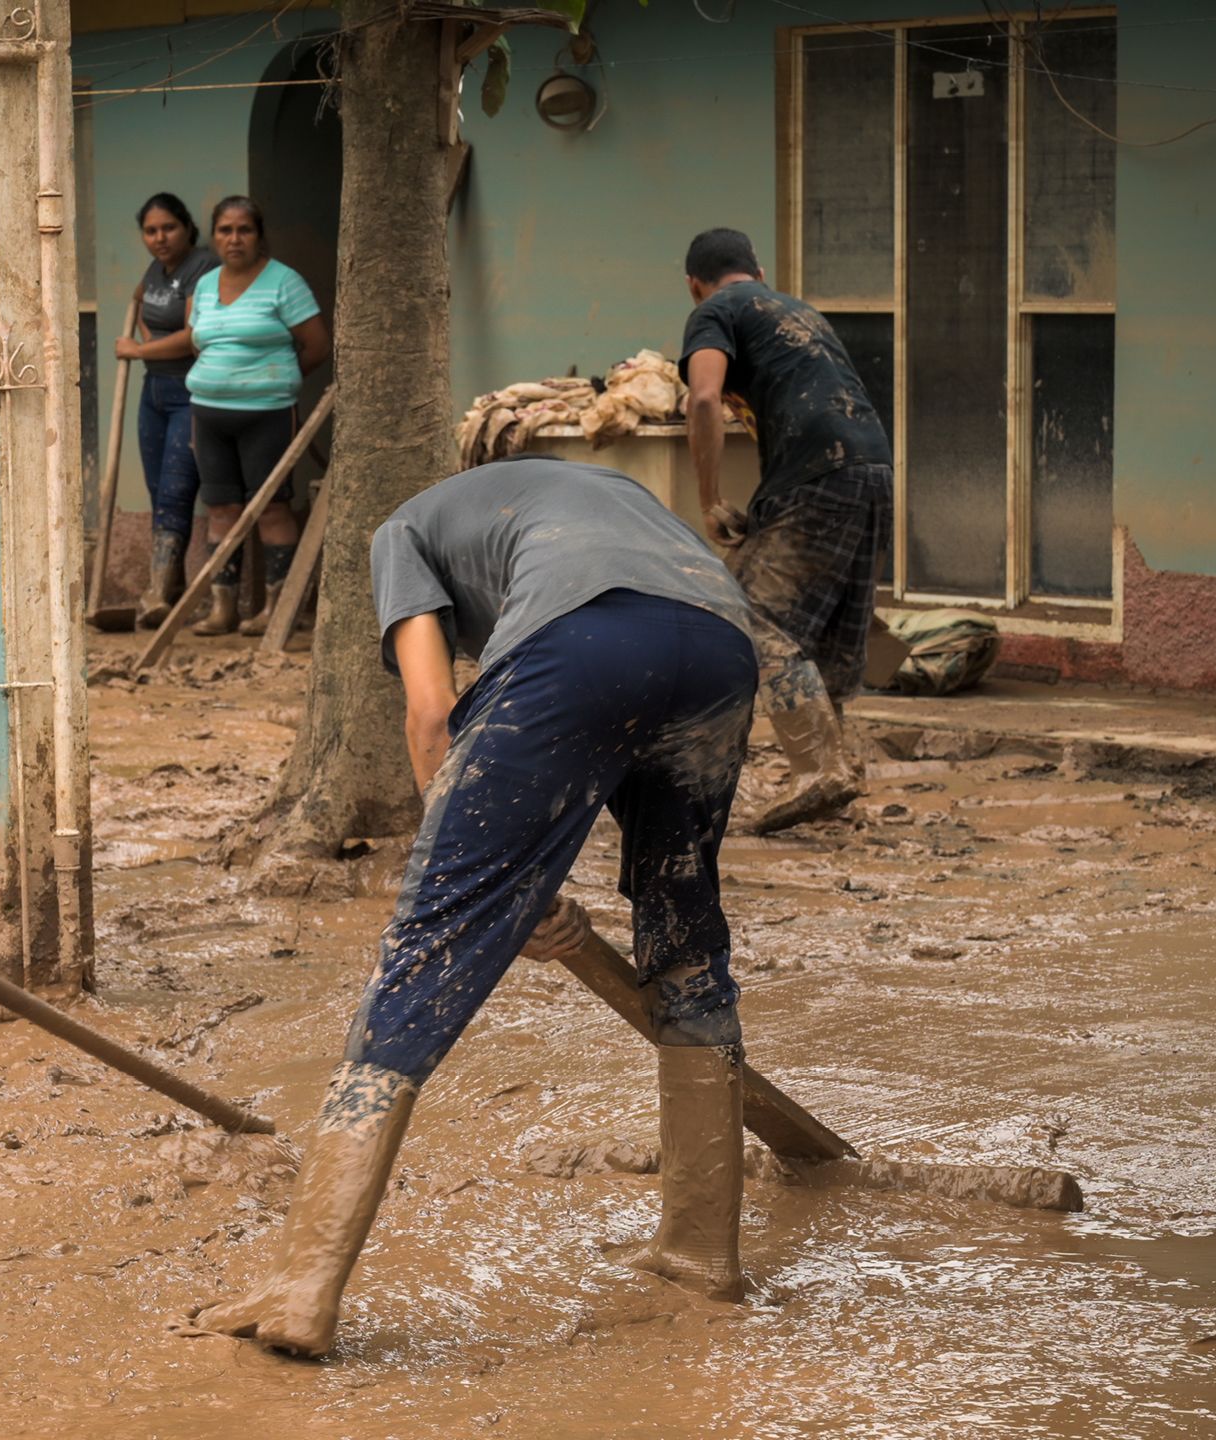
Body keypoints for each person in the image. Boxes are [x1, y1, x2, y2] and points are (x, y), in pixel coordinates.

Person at [190, 456, 760, 1358]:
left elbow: (430, 712)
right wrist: (532, 883)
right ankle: (702, 1251)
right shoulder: (594, 494)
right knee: (684, 923)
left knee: (430, 937)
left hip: (584, 640)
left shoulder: (400, 531)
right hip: (724, 649)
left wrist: (486, 877)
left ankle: (301, 1291)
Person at [678, 226, 894, 832]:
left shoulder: (714, 311)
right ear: (760, 273)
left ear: (694, 285)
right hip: (874, 470)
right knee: (825, 639)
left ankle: (818, 769)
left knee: (745, 620)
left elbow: (702, 398)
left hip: (820, 475)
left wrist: (709, 497)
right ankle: (832, 788)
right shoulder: (798, 312)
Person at [119, 194, 330, 638]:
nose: (234, 239)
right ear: (213, 237)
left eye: (243, 230)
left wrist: (275, 379)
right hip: (209, 413)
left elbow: (315, 346)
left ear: (258, 235)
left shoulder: (283, 283)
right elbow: (198, 341)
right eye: (225, 231)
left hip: (267, 414)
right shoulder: (207, 285)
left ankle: (276, 608)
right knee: (221, 509)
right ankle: (223, 608)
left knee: (272, 508)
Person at [114, 193, 218, 628]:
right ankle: (169, 592)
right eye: (151, 231)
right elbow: (141, 303)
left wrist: (142, 350)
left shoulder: (203, 268)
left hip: (189, 390)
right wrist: (148, 345)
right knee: (159, 488)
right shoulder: (155, 271)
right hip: (152, 391)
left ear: (186, 227)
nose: (159, 238)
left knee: (177, 487)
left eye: (168, 228)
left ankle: (157, 591)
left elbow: (193, 336)